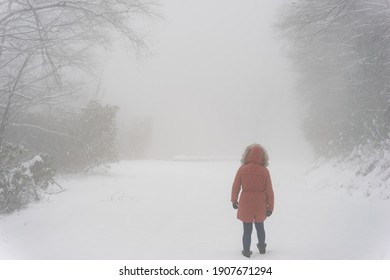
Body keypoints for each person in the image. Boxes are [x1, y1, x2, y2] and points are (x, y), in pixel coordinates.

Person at [231, 144, 274, 258]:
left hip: (246, 203)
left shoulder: (242, 169)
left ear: (247, 155)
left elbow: (236, 186)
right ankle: (262, 248)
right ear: (263, 157)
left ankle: (246, 251)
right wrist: (270, 207)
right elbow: (270, 191)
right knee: (260, 227)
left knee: (247, 229)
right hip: (260, 204)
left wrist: (234, 200)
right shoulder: (265, 171)